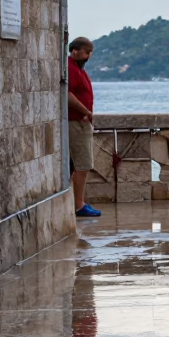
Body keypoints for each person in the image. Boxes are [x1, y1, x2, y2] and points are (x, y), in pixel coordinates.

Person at [67, 37, 101, 218]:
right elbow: (67, 94)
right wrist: (86, 111)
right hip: (77, 123)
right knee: (82, 165)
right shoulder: (71, 68)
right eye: (86, 53)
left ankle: (75, 203)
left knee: (76, 165)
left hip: (80, 122)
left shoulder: (78, 69)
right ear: (76, 51)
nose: (88, 57)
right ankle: (78, 205)